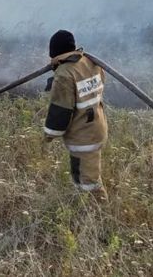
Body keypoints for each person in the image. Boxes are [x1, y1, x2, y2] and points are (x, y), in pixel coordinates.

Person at [43, 30, 109, 201]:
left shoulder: (65, 73)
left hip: (82, 135)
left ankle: (97, 212)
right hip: (97, 127)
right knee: (86, 171)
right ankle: (87, 204)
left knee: (87, 180)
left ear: (54, 52)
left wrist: (49, 135)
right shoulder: (89, 61)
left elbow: (60, 111)